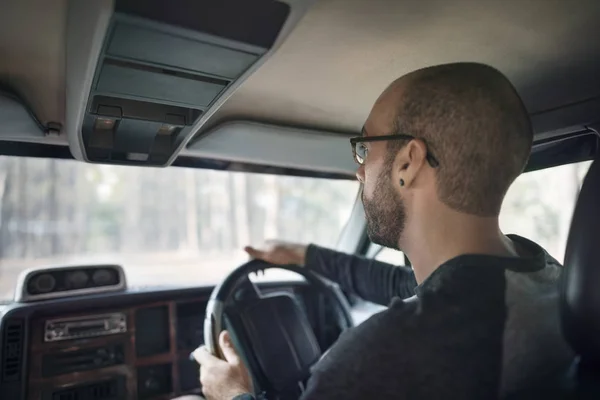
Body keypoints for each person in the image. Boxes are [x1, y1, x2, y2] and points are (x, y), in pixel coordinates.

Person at [191, 63, 574, 399]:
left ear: (408, 163)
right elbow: (407, 286)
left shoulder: (381, 358)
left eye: (365, 148)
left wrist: (233, 395)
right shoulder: (544, 277)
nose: (360, 171)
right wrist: (304, 254)